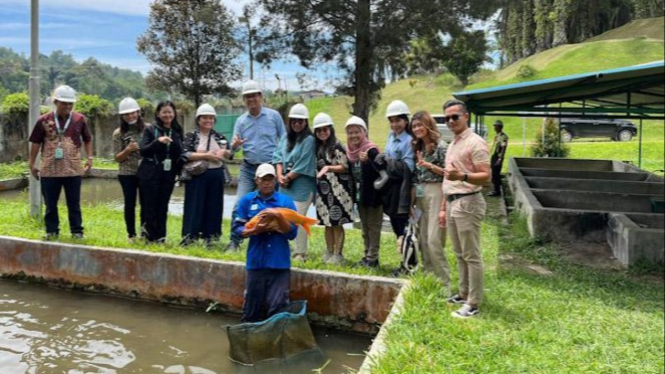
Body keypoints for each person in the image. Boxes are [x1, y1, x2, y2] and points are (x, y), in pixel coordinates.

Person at [439, 99, 490, 319]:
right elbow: (447, 179)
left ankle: (474, 302)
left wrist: (462, 176)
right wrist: (443, 207)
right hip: (453, 201)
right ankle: (463, 293)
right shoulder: (453, 143)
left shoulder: (475, 142)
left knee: (471, 255)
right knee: (459, 253)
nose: (450, 121)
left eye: (455, 117)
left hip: (468, 201)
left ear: (465, 116)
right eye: (447, 118)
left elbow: (486, 176)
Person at [232, 163, 298, 322]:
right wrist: (255, 230)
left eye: (270, 179)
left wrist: (279, 218)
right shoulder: (247, 201)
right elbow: (237, 229)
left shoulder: (286, 201)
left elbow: (292, 234)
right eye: (263, 179)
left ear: (275, 180)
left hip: (279, 262)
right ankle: (250, 338)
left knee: (278, 306)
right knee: (252, 307)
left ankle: (273, 340)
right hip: (256, 262)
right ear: (256, 181)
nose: (267, 182)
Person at [227, 80, 286, 251]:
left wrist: (282, 166)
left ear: (261, 97)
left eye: (254, 95)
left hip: (270, 168)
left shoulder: (273, 116)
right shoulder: (240, 121)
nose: (251, 99)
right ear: (244, 100)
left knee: (275, 206)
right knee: (239, 204)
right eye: (247, 96)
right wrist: (236, 145)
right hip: (249, 168)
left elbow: (284, 141)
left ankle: (277, 240)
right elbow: (233, 149)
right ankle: (234, 241)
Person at [28, 85, 93, 240]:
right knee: (50, 204)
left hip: (73, 169)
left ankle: (77, 232)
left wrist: (90, 158)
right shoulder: (44, 120)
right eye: (64, 103)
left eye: (70, 103)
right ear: (56, 102)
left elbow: (87, 139)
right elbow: (36, 142)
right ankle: (52, 231)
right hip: (50, 169)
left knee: (74, 204)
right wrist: (32, 163)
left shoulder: (79, 119)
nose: (68, 106)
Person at [406, 111, 451, 294]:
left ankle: (444, 284)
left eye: (419, 125)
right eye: (414, 126)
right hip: (421, 193)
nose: (417, 129)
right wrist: (412, 202)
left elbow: (450, 174)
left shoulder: (441, 146)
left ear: (428, 125)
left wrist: (430, 166)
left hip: (437, 191)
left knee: (434, 240)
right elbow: (415, 178)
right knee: (423, 239)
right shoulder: (417, 148)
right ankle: (428, 277)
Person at [180, 103, 232, 247]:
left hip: (216, 175)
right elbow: (184, 154)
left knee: (214, 207)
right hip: (197, 175)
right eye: (205, 118)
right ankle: (190, 237)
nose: (208, 120)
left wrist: (225, 152)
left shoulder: (219, 136)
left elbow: (230, 154)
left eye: (211, 118)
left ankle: (212, 237)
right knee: (194, 206)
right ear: (198, 119)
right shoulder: (191, 135)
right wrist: (206, 156)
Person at [273, 104, 316, 262]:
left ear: (305, 122)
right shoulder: (285, 137)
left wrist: (288, 177)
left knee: (299, 219)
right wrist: (279, 175)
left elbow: (305, 163)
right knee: (283, 218)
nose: (297, 124)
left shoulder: (309, 140)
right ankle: (285, 248)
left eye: (301, 121)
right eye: (294, 121)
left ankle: (300, 253)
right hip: (284, 185)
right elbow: (277, 156)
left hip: (302, 186)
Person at [137, 101, 184, 243]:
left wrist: (179, 173)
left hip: (167, 175)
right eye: (164, 112)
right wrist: (158, 142)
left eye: (170, 112)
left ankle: (161, 237)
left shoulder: (177, 131)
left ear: (174, 113)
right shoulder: (150, 129)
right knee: (149, 206)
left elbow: (180, 154)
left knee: (163, 206)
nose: (167, 115)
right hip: (149, 174)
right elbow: (143, 150)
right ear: (158, 113)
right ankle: (147, 236)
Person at [313, 112, 354, 265]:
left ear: (330, 129)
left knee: (337, 222)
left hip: (339, 190)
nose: (322, 133)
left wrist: (329, 168)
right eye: (319, 130)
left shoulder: (336, 146)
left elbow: (344, 166)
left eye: (325, 129)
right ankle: (329, 251)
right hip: (324, 190)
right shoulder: (318, 148)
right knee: (326, 223)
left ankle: (338, 254)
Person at [375, 100, 414, 244]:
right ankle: (404, 262)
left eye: (398, 120)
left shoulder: (409, 140)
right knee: (395, 226)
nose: (394, 124)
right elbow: (388, 157)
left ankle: (409, 262)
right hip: (390, 187)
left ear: (405, 120)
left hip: (402, 189)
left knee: (403, 227)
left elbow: (408, 167)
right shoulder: (391, 136)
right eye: (391, 121)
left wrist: (387, 162)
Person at [346, 116, 383, 268]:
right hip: (360, 196)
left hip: (374, 196)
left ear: (364, 132)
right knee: (364, 226)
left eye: (357, 132)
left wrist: (369, 161)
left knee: (373, 227)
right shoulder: (350, 152)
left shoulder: (371, 150)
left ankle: (373, 258)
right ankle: (367, 254)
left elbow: (383, 170)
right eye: (350, 132)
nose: (354, 136)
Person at [112, 97, 145, 242]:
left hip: (145, 172)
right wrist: (128, 150)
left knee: (146, 204)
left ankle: (145, 233)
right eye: (126, 114)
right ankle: (131, 234)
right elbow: (117, 158)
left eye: (133, 113)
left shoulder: (148, 128)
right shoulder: (118, 133)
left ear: (138, 112)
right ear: (122, 116)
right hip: (127, 173)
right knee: (130, 204)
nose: (130, 116)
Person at [488, 120, 509, 197]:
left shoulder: (503, 137)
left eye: (496, 126)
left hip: (498, 156)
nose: (494, 127)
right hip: (494, 156)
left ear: (500, 127)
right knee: (493, 173)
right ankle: (495, 189)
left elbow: (503, 147)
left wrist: (500, 158)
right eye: (494, 126)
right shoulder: (497, 136)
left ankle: (497, 191)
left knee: (496, 174)